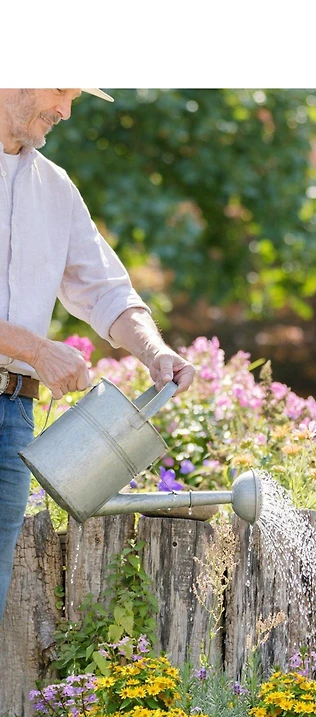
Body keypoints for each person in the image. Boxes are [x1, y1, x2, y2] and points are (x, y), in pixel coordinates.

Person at [0, 88, 196, 623]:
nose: (66, 109)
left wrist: (154, 351)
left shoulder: (54, 188)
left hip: (12, 415)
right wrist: (35, 349)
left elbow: (105, 289)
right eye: (62, 88)